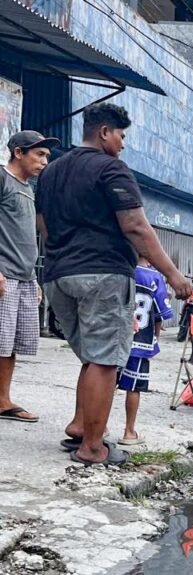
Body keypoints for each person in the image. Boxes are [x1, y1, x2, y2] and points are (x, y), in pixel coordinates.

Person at [36, 103, 190, 466]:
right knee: (106, 361)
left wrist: (63, 256)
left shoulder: (51, 171)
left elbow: (42, 225)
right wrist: (173, 275)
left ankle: (80, 426)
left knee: (93, 356)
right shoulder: (111, 168)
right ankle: (93, 448)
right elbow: (136, 226)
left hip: (59, 274)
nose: (122, 144)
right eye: (121, 136)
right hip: (103, 274)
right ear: (104, 132)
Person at [1, 130, 59, 425]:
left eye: (47, 156)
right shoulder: (2, 178)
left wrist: (33, 279)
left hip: (23, 277)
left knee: (9, 344)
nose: (44, 161)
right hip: (4, 275)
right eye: (39, 154)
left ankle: (2, 400)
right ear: (18, 153)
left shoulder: (27, 188)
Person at [117, 256, 173, 445]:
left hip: (115, 338)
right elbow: (160, 314)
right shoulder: (154, 277)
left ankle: (100, 427)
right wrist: (155, 338)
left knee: (106, 383)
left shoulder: (120, 267)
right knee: (134, 388)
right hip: (141, 342)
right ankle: (129, 431)